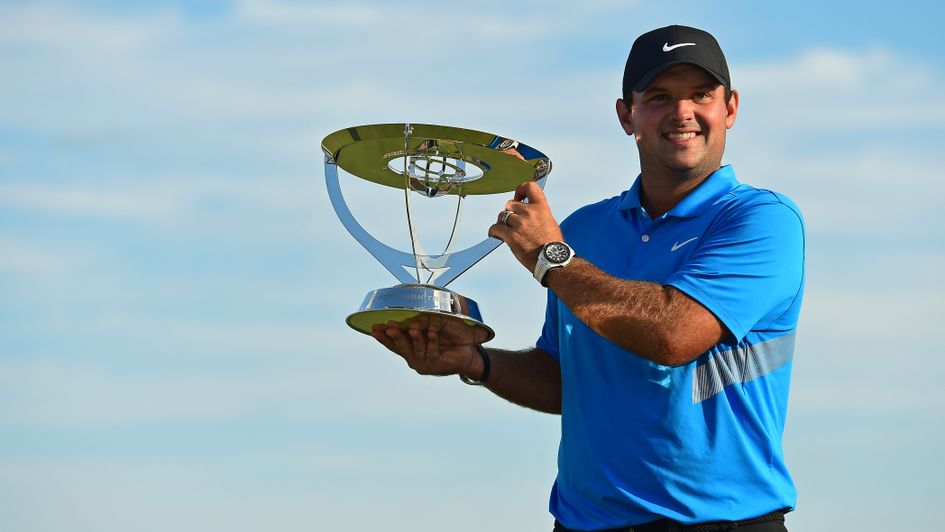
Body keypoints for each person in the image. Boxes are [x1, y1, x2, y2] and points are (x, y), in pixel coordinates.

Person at [371, 24, 805, 532]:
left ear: (729, 108)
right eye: (660, 97)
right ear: (627, 115)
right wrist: (474, 360)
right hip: (583, 524)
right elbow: (567, 379)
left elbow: (674, 333)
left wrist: (552, 259)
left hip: (723, 523)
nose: (682, 113)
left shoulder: (763, 219)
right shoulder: (583, 232)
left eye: (700, 95)